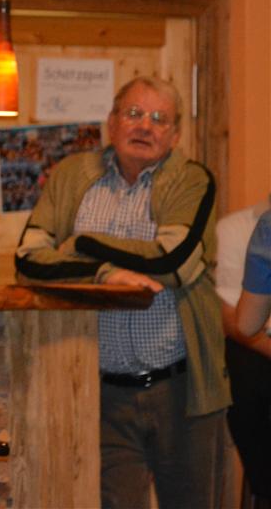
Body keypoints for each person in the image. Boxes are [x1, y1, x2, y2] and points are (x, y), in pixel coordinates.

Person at [15, 76, 229, 509]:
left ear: (175, 135)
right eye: (134, 113)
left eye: (159, 118)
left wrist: (81, 244)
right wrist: (104, 275)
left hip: (182, 389)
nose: (145, 126)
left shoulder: (193, 180)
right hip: (102, 393)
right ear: (111, 123)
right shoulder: (73, 175)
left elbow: (172, 263)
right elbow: (28, 261)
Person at [215, 199, 270, 506]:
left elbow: (248, 322)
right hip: (260, 355)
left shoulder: (265, 229)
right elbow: (235, 323)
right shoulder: (238, 228)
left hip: (256, 327)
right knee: (244, 363)